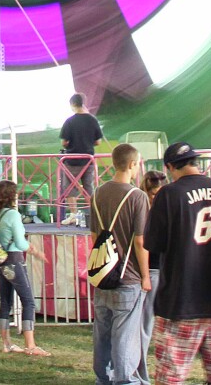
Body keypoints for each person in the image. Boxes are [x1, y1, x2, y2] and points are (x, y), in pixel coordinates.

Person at [144, 141, 211, 385]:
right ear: (195, 162)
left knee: (170, 378)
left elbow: (154, 243)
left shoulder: (168, 194)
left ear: (170, 167)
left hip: (180, 302)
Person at [89, 142, 150, 385]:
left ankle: (103, 377)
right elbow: (140, 241)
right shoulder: (137, 196)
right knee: (125, 334)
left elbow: (94, 236)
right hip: (128, 276)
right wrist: (145, 276)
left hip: (103, 274)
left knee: (102, 333)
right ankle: (125, 379)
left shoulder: (97, 194)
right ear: (132, 164)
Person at [0, 179, 50, 356]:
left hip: (0, 262)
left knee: (5, 302)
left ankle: (6, 343)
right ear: (11, 196)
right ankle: (31, 345)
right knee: (28, 301)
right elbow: (21, 243)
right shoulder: (13, 215)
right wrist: (35, 251)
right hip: (14, 261)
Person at [138, 170, 167, 385]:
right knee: (145, 326)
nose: (157, 197)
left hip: (162, 271)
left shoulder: (163, 210)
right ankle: (141, 373)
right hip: (152, 272)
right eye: (155, 193)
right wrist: (146, 275)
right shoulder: (145, 212)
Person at [60, 93, 103, 223]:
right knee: (88, 187)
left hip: (72, 160)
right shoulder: (92, 120)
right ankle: (92, 214)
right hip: (88, 160)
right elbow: (98, 142)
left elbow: (64, 142)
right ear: (83, 103)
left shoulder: (69, 121)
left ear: (72, 104)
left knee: (69, 186)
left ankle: (73, 214)